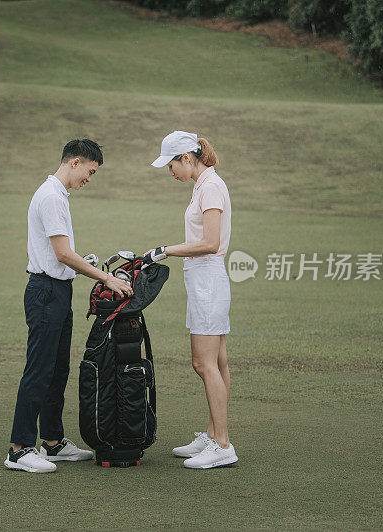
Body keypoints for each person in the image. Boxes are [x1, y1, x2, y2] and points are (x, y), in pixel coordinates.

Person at [5, 139, 134, 473]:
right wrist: (105, 278)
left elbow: (60, 255)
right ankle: (19, 449)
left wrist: (78, 264)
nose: (88, 179)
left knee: (57, 368)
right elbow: (61, 254)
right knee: (39, 368)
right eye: (89, 172)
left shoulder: (57, 195)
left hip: (57, 289)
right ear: (75, 162)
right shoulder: (50, 196)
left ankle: (52, 442)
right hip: (46, 292)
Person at [143, 130, 238, 469]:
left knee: (203, 363)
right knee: (217, 361)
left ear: (186, 157)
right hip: (204, 280)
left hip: (209, 280)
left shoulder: (210, 187)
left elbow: (211, 242)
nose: (170, 173)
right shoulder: (203, 185)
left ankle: (222, 444)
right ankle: (214, 435)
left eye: (171, 165)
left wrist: (164, 251)